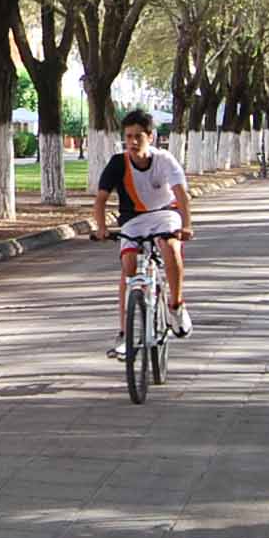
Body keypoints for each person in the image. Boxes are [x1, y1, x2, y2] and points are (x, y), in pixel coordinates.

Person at [92, 108, 193, 360]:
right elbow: (101, 199)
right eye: (128, 137)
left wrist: (187, 225)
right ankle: (125, 334)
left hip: (164, 213)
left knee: (170, 248)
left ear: (151, 136)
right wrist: (102, 227)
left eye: (138, 136)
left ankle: (176, 306)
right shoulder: (118, 163)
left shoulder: (165, 160)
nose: (133, 142)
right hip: (132, 220)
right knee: (128, 266)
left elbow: (181, 194)